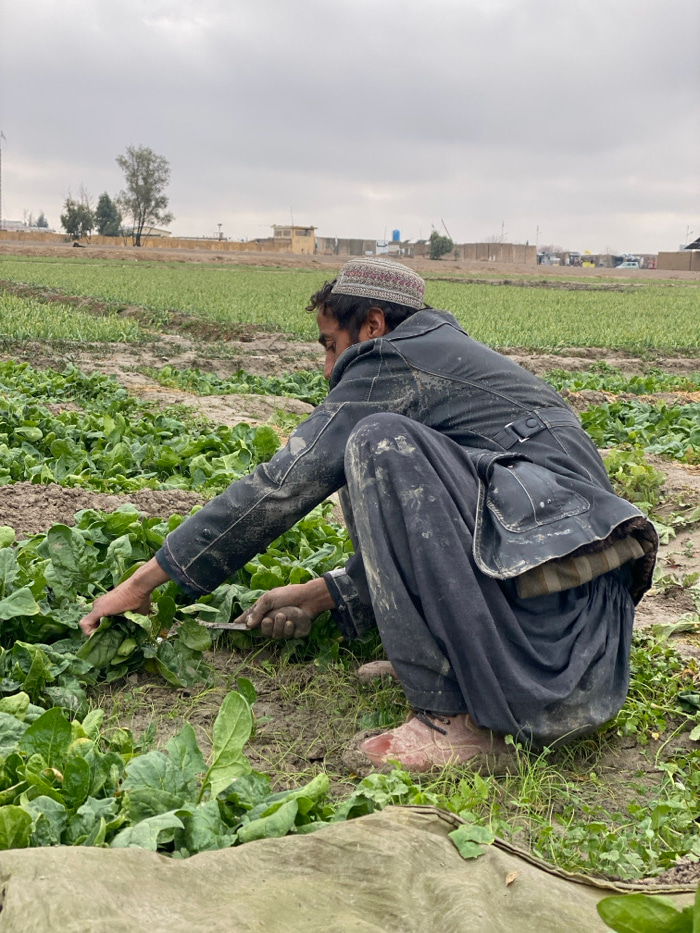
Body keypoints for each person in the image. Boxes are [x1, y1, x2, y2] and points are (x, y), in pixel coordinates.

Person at [80, 258, 657, 772]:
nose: (327, 367)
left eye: (331, 345)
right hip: (582, 655)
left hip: (553, 656)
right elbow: (454, 534)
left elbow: (280, 485)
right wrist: (320, 594)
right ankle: (458, 665)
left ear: (374, 325)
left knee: (377, 443)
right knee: (380, 452)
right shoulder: (444, 360)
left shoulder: (394, 359)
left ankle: (452, 718)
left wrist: (141, 583)